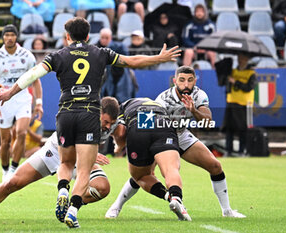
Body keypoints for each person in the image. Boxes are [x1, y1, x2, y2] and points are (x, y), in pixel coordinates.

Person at [0, 17, 181, 229]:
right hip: (89, 116)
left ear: (67, 36)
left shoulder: (58, 55)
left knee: (13, 184)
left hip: (66, 115)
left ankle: (64, 189)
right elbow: (131, 61)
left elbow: (34, 73)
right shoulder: (101, 53)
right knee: (82, 172)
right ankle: (72, 208)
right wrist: (159, 58)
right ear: (88, 35)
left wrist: (10, 92)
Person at [105, 66, 246, 219]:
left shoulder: (199, 95)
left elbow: (207, 122)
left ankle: (227, 211)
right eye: (182, 80)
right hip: (162, 136)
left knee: (215, 166)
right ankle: (116, 207)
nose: (186, 84)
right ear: (175, 81)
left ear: (195, 81)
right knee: (144, 173)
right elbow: (150, 126)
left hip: (182, 135)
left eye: (190, 80)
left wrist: (194, 111)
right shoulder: (163, 99)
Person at [105, 97, 192, 221]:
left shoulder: (120, 110)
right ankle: (176, 197)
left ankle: (167, 196)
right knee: (170, 169)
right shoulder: (155, 104)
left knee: (140, 176)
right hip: (163, 124)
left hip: (139, 126)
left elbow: (120, 133)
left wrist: (118, 146)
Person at [0, 24, 43, 182]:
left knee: (21, 132)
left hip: (22, 98)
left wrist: (39, 103)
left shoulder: (26, 55)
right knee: (5, 140)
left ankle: (14, 168)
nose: (9, 38)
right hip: (3, 100)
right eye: (6, 35)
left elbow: (35, 80)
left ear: (16, 37)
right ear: (3, 38)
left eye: (12, 35)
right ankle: (5, 170)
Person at [224, 54, 256, 156]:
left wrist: (236, 82)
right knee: (229, 128)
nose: (240, 60)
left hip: (244, 103)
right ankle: (228, 151)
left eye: (242, 58)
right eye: (239, 58)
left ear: (247, 59)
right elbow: (225, 85)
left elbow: (248, 88)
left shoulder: (251, 73)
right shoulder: (232, 72)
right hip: (231, 101)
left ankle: (242, 151)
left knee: (243, 129)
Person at [182, 4, 216, 68]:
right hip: (193, 48)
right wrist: (195, 46)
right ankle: (185, 73)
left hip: (207, 49)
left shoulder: (211, 25)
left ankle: (215, 74)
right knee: (188, 52)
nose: (199, 13)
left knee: (212, 53)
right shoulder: (189, 25)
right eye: (197, 11)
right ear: (194, 13)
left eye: (201, 11)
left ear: (204, 13)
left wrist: (205, 47)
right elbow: (185, 39)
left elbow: (214, 38)